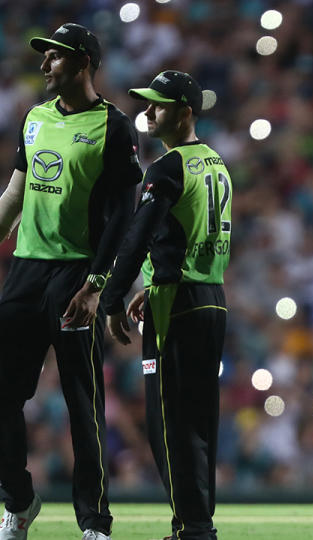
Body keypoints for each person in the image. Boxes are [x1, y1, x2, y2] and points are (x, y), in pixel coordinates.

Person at [0, 23, 142, 540]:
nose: (44, 66)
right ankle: (17, 499)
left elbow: (124, 218)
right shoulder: (35, 119)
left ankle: (94, 523)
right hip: (26, 271)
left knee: (84, 404)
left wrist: (97, 285)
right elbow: (14, 197)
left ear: (83, 62)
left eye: (54, 57)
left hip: (77, 275)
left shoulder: (115, 128)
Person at [100, 70, 231, 540]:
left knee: (169, 423)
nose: (148, 111)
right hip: (211, 299)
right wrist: (153, 283)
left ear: (185, 112)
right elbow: (186, 238)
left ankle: (193, 529)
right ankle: (197, 522)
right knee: (200, 420)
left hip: (176, 307)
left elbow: (138, 236)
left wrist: (112, 296)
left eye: (159, 104)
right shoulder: (216, 162)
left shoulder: (167, 168)